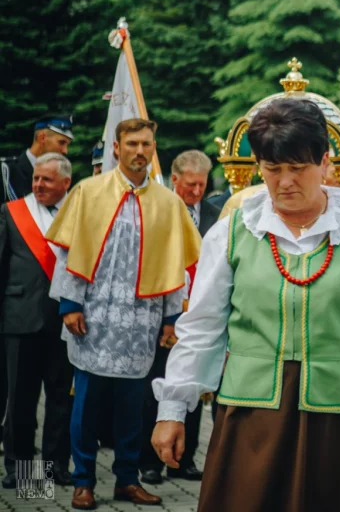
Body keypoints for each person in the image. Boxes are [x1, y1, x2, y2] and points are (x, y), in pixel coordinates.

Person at [151, 98, 340, 512]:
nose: (284, 182)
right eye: (272, 169)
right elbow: (203, 327)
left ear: (325, 163)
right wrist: (173, 408)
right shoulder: (232, 235)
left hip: (339, 420)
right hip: (250, 418)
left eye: (298, 168)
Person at [46, 119, 202, 510]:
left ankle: (127, 480)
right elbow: (68, 254)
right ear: (116, 148)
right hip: (93, 319)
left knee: (133, 409)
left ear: (153, 147)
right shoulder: (88, 191)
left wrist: (170, 318)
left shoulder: (168, 203)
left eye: (146, 144)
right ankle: (82, 480)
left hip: (140, 324)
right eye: (132, 143)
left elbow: (175, 267)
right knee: (86, 404)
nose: (139, 151)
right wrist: (69, 305)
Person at [138, 150, 219, 486]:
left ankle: (183, 462)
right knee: (158, 387)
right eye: (190, 185)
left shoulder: (215, 214)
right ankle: (151, 462)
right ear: (175, 180)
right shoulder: (159, 211)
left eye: (201, 184)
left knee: (194, 385)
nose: (197, 191)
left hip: (199, 313)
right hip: (162, 317)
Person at [0, 153, 74, 489]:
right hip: (21, 319)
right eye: (35, 178)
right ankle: (20, 468)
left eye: (46, 180)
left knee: (60, 399)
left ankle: (56, 466)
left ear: (65, 183)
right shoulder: (12, 212)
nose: (38, 185)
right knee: (21, 399)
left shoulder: (78, 212)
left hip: (65, 322)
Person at [1, 115, 73, 204]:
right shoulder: (6, 172)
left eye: (67, 145)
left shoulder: (61, 177)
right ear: (42, 138)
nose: (65, 151)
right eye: (61, 142)